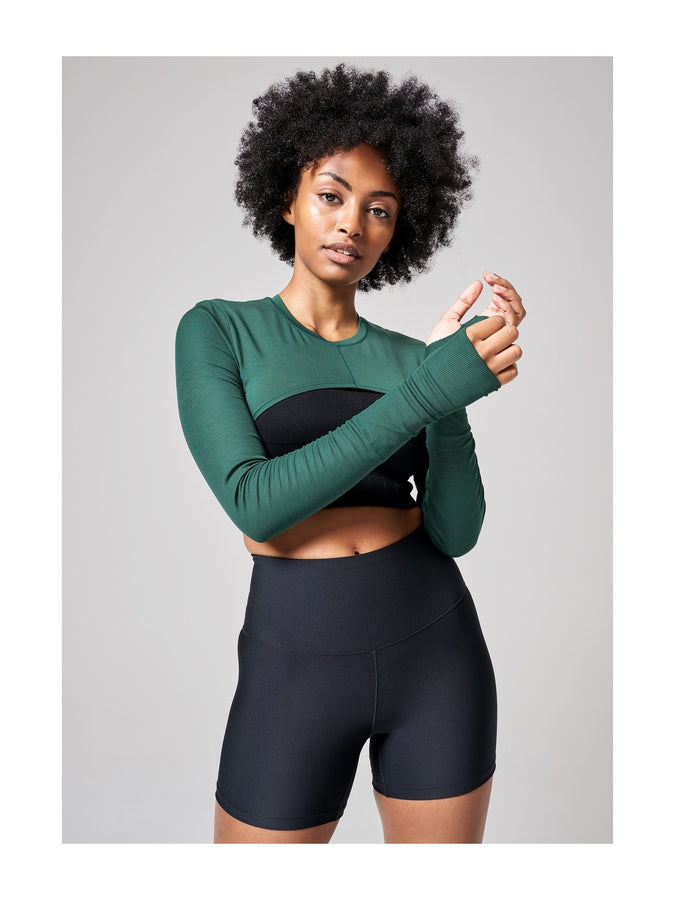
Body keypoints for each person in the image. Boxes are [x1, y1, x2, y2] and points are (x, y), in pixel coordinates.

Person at [175, 63, 525, 844]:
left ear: (399, 230)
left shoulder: (409, 357)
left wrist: (446, 395)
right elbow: (254, 502)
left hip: (437, 647)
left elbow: (456, 533)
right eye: (331, 196)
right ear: (286, 200)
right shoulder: (219, 329)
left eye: (379, 209)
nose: (351, 225)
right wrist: (427, 390)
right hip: (294, 660)